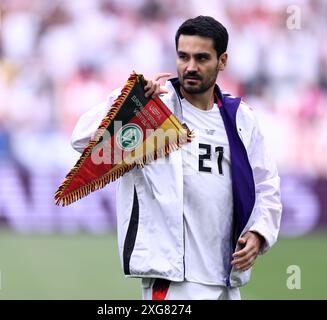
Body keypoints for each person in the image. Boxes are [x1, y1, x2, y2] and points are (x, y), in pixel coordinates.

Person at [71, 16, 282, 300]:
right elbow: (83, 140)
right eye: (183, 56)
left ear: (223, 61)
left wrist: (259, 233)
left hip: (226, 278)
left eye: (202, 58)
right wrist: (128, 101)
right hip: (173, 280)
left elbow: (266, 184)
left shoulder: (240, 117)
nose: (190, 66)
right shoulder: (153, 109)